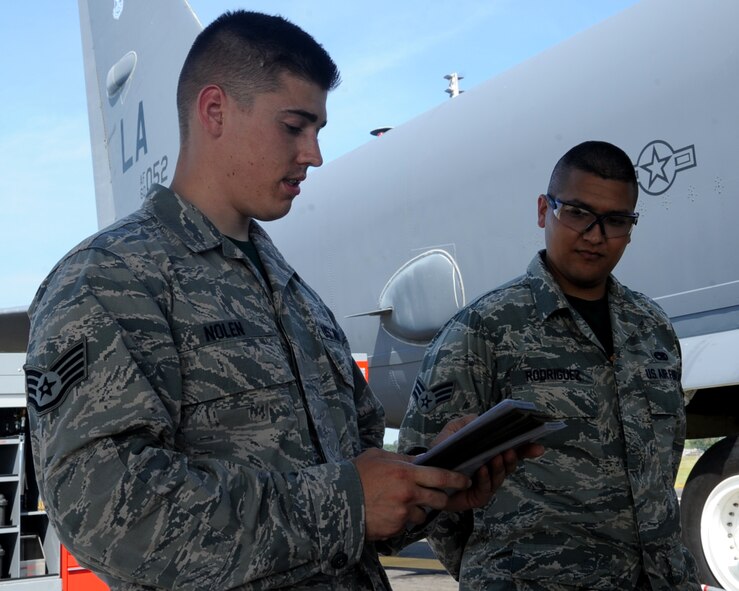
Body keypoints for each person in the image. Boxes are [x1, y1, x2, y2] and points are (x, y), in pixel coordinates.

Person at [23, 10, 534, 591]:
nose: (314, 154)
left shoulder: (296, 298)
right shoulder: (108, 281)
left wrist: (430, 482)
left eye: (317, 130)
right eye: (295, 126)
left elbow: (358, 492)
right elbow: (106, 515)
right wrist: (345, 502)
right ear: (214, 111)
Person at [398, 140, 701, 590]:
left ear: (631, 227)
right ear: (544, 210)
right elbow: (429, 481)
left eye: (615, 220)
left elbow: (664, 459)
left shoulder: (652, 329)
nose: (596, 235)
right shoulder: (483, 330)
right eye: (577, 212)